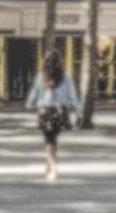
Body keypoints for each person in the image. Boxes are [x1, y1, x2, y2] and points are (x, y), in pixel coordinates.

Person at [24, 50, 79, 182]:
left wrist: (30, 104)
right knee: (53, 140)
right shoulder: (66, 76)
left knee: (49, 140)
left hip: (45, 111)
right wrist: (77, 112)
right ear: (60, 62)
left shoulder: (41, 76)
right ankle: (48, 167)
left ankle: (53, 168)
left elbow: (34, 94)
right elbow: (73, 96)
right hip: (60, 111)